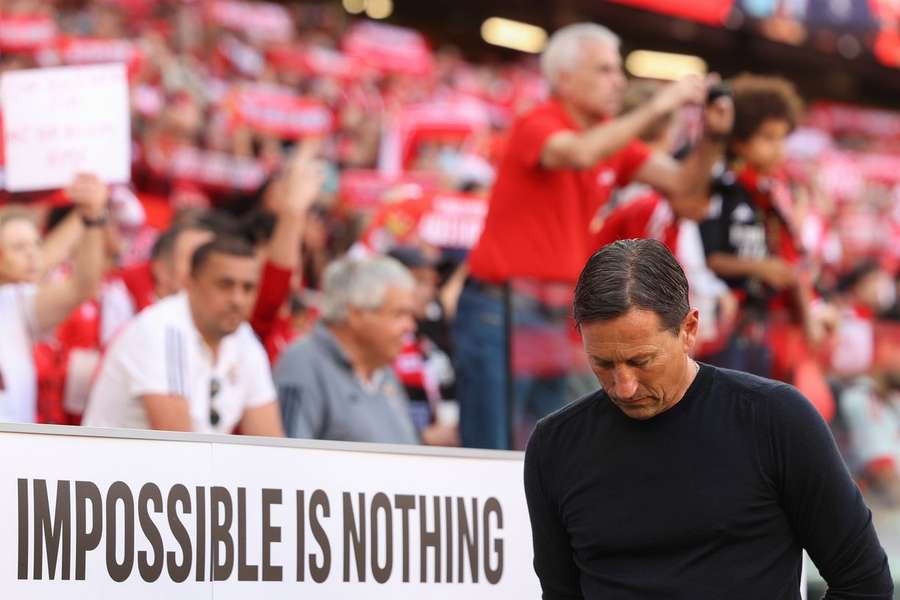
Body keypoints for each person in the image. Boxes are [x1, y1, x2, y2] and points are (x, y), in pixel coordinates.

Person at [524, 239, 893, 599]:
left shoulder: (776, 420)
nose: (624, 387)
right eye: (603, 364)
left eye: (641, 361)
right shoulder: (555, 445)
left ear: (689, 330)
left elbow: (864, 581)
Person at [454, 22, 734, 449]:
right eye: (605, 70)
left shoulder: (610, 140)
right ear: (564, 78)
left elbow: (685, 188)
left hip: (554, 316)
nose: (618, 81)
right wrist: (660, 105)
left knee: (561, 449)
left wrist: (711, 137)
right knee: (492, 451)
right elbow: (579, 152)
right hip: (503, 309)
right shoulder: (538, 121)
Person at [83, 236, 284, 435]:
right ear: (191, 283)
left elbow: (271, 445)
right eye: (225, 285)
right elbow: (180, 446)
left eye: (248, 288)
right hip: (113, 465)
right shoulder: (160, 329)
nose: (237, 300)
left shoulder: (244, 338)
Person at [274, 255, 420, 444]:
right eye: (399, 314)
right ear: (356, 314)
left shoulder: (383, 371)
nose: (410, 326)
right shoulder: (302, 364)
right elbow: (288, 460)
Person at [0, 173, 110, 422]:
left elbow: (83, 285)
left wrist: (91, 217)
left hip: (17, 452)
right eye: (19, 247)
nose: (32, 255)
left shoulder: (17, 304)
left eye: (35, 244)